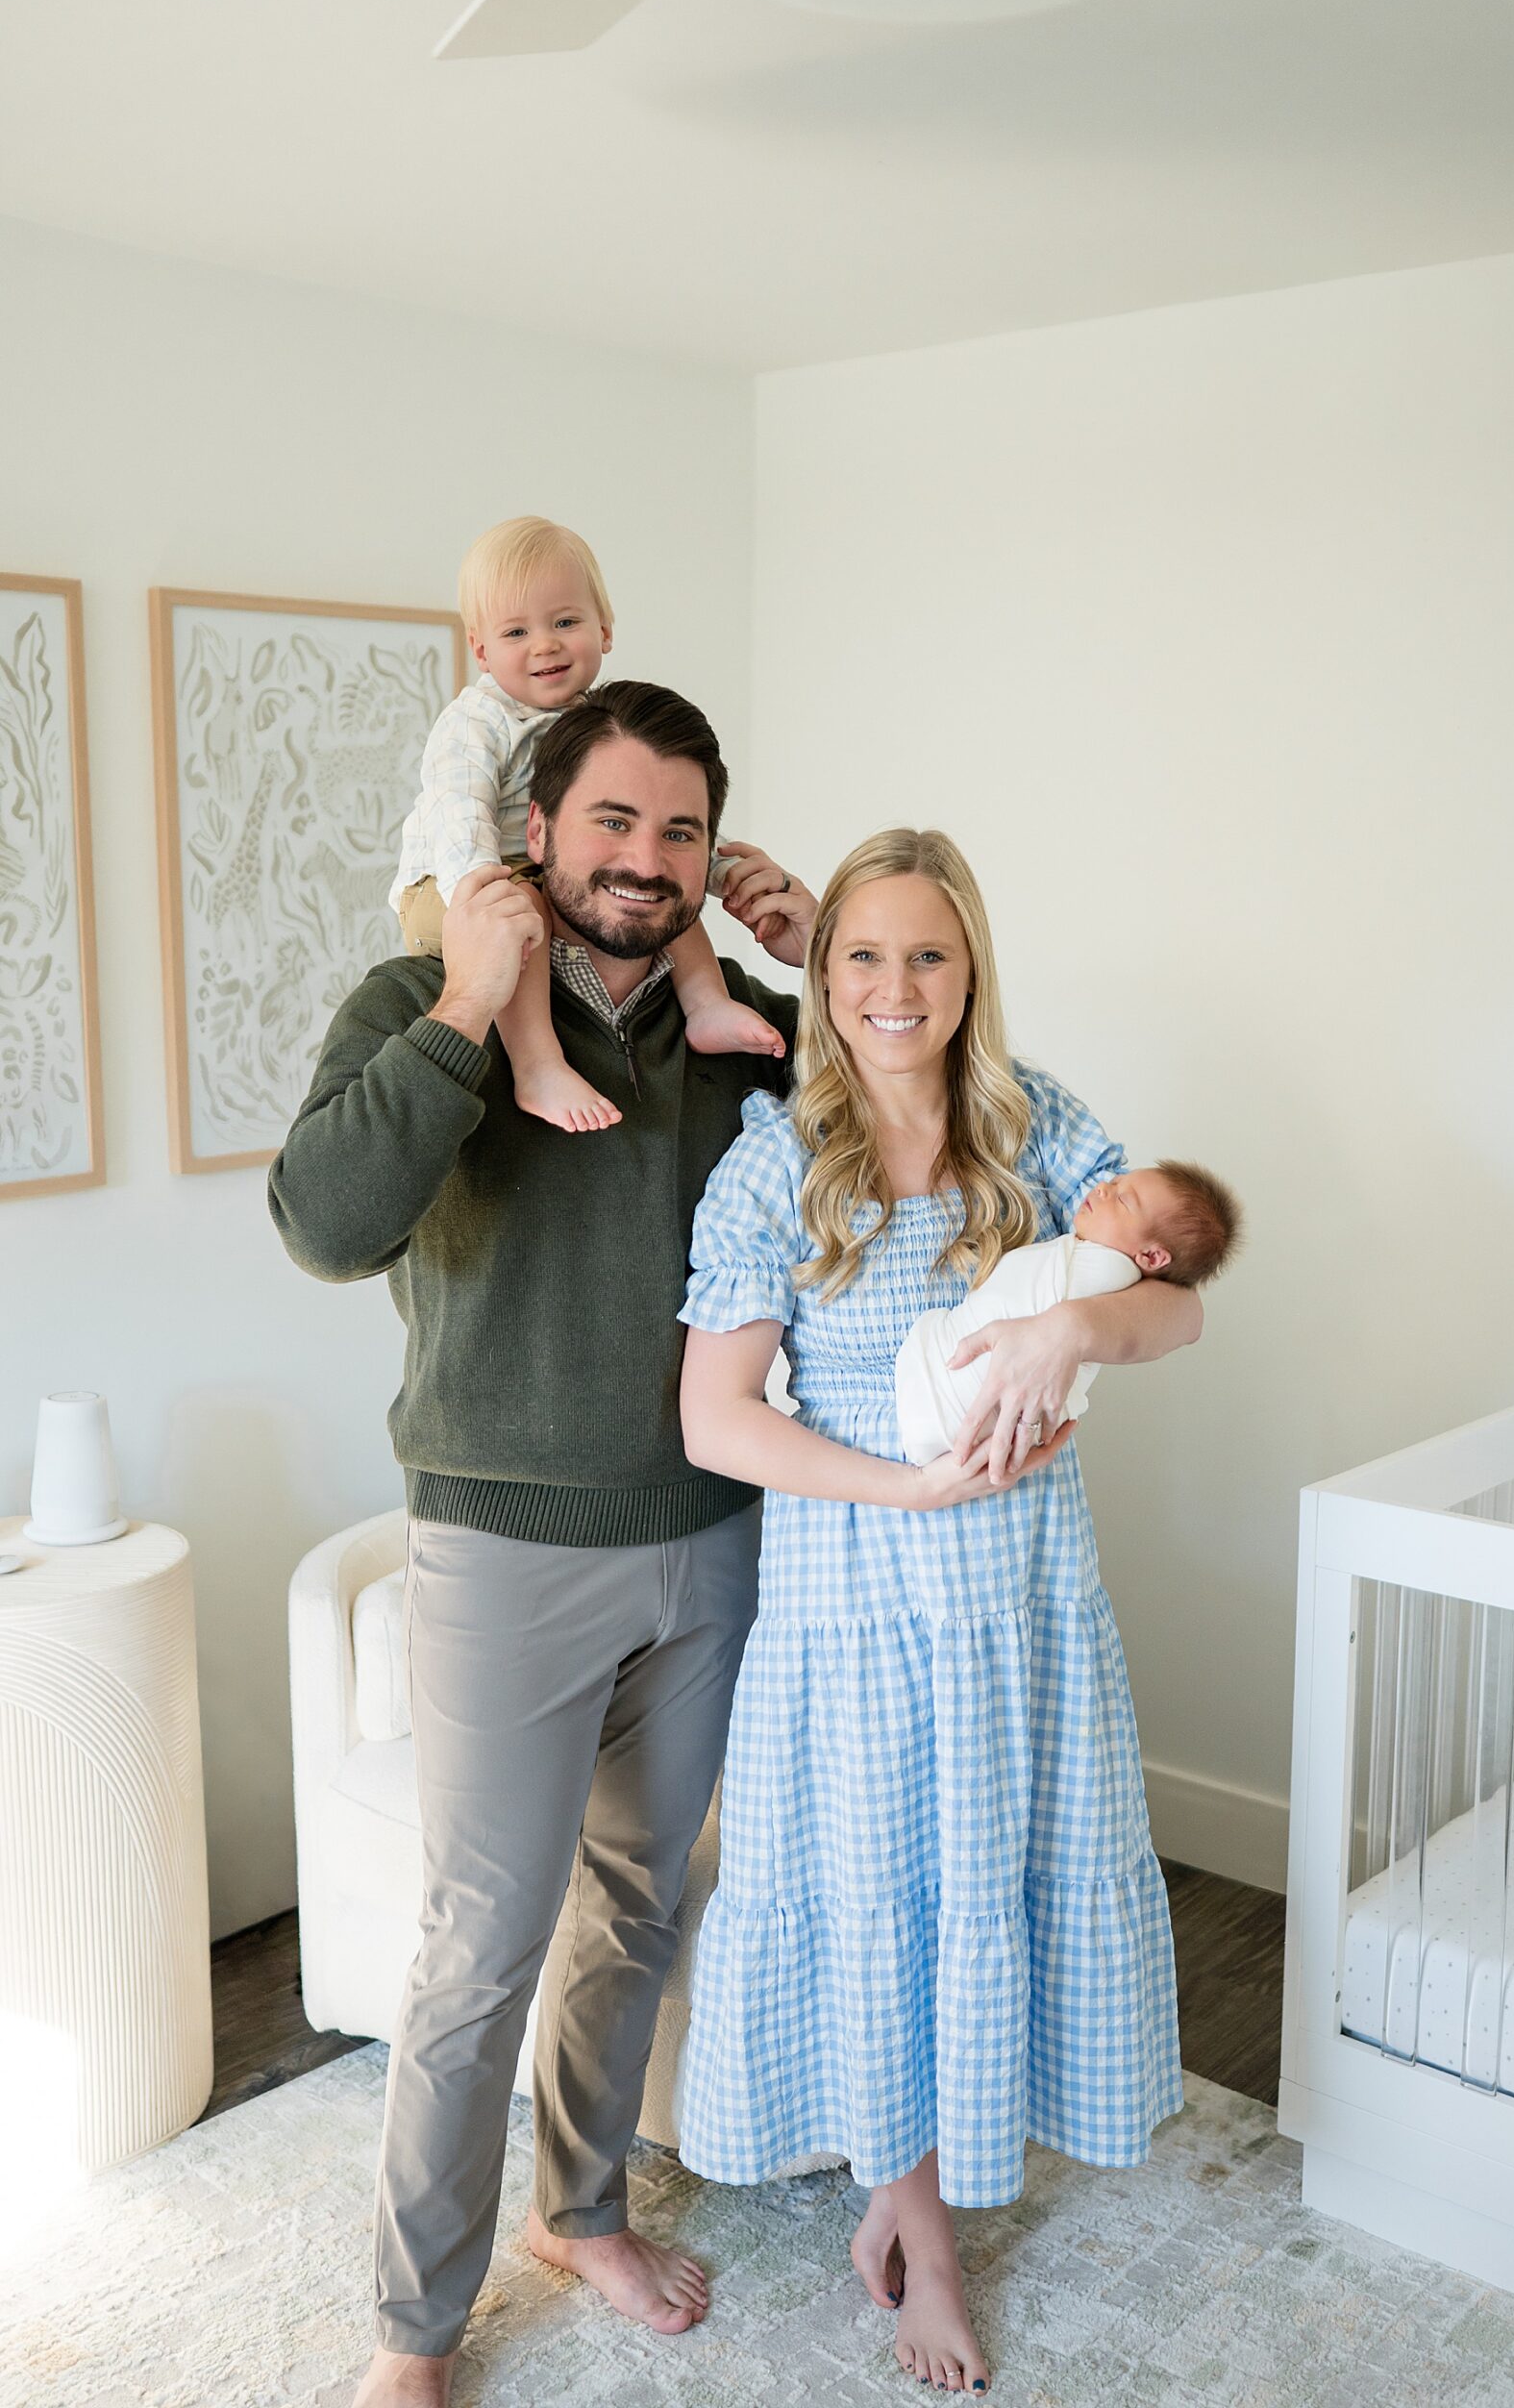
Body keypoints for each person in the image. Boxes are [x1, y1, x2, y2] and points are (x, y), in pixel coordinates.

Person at [270, 680, 814, 2408]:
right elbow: (321, 1225)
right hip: (501, 1549)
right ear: (532, 830)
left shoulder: (746, 1036)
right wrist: (465, 1009)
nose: (643, 859)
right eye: (610, 820)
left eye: (678, 829)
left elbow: (946, 1127)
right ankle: (412, 2334)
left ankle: (579, 2210)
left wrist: (822, 952)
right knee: (478, 1945)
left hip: (710, 1538)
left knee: (638, 1909)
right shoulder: (422, 1000)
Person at [675, 828, 1202, 2396]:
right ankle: (917, 2227)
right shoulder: (776, 1159)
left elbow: (1173, 1301)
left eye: (925, 955)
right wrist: (905, 1493)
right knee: (881, 1899)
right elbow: (714, 1418)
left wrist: (1077, 1333)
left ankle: (944, 2176)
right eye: (861, 957)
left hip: (1023, 1595)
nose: (891, 988)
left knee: (990, 1879)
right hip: (855, 1593)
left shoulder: (1034, 1127)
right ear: (821, 974)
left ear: (967, 970)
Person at [390, 514, 783, 1131]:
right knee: (524, 908)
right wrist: (478, 892)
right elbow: (456, 809)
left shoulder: (597, 726)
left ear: (604, 631)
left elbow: (647, 837)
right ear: (481, 649)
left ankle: (707, 1004)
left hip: (531, 874)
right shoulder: (477, 723)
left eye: (565, 622)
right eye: (517, 630)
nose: (544, 644)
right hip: (454, 881)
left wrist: (728, 876)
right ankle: (539, 1063)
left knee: (664, 897)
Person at [896, 1158, 1240, 1463]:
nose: (1103, 1187)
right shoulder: (1094, 1256)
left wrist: (1069, 1327)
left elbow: (1189, 1316)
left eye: (1122, 1199)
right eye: (1115, 1182)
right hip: (938, 1417)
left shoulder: (1108, 1273)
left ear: (1151, 1257)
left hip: (948, 1406)